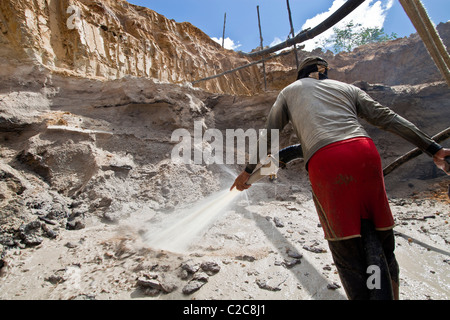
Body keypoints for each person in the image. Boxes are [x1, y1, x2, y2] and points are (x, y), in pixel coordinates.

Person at [230, 56, 450, 300]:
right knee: (384, 242)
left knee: (346, 250)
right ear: (325, 73)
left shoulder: (290, 91)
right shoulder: (348, 89)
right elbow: (387, 118)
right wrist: (433, 149)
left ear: (301, 75)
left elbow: (270, 133)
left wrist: (249, 170)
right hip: (364, 152)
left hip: (327, 162)